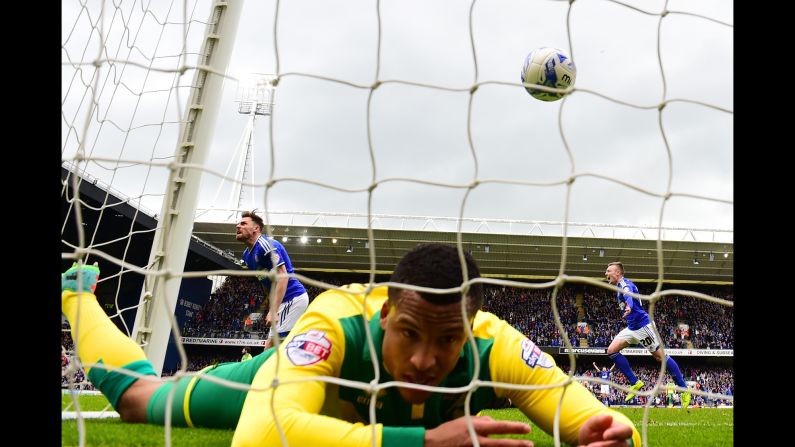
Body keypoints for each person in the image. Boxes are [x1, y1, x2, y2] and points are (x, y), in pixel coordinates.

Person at [61, 245, 641, 447]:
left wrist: (617, 436)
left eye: (446, 341)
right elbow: (263, 433)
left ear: (470, 328)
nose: (424, 359)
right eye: (410, 334)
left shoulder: (496, 347)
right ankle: (77, 294)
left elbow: (599, 423)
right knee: (139, 402)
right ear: (387, 314)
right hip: (284, 381)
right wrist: (423, 439)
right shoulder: (337, 320)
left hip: (328, 411)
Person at [603, 261, 691, 408]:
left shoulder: (625, 285)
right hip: (632, 328)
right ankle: (635, 382)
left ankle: (683, 389)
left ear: (617, 273)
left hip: (643, 327)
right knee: (612, 350)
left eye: (608, 271)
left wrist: (630, 306)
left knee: (660, 357)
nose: (606, 273)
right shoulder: (620, 286)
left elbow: (629, 295)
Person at [236, 211, 310, 349]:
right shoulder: (247, 256)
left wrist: (273, 310)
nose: (238, 226)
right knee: (268, 348)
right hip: (282, 302)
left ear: (256, 229)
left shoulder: (265, 245)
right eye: (238, 223)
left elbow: (283, 276)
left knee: (276, 347)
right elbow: (266, 284)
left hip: (293, 298)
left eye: (243, 223)